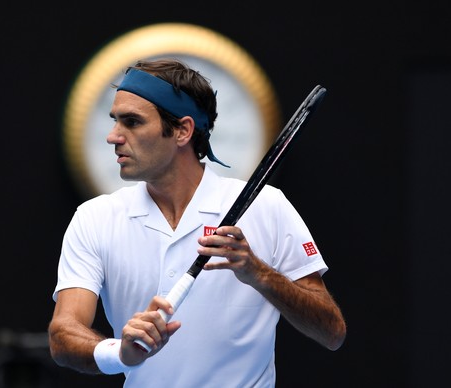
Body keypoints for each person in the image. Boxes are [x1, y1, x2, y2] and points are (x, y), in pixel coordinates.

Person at [48, 58, 346, 387]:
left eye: (131, 122)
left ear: (182, 131)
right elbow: (63, 334)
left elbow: (332, 331)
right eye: (115, 121)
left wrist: (260, 274)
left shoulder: (268, 206)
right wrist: (120, 352)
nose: (113, 136)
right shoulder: (95, 218)